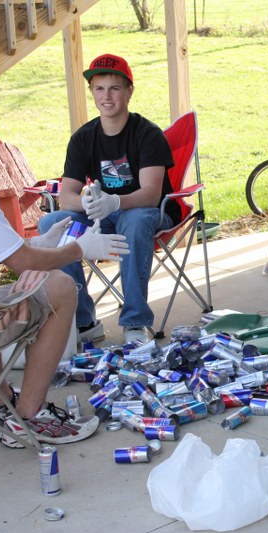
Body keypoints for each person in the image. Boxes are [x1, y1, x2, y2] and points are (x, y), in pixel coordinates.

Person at [0, 103, 130, 448]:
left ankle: (0, 404)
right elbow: (24, 262)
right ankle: (28, 417)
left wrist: (31, 245)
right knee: (59, 287)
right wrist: (80, 249)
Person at [38, 53, 177, 345]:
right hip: (102, 215)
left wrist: (115, 202)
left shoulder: (147, 134)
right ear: (92, 92)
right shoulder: (83, 138)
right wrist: (86, 203)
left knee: (135, 220)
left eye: (114, 88)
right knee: (53, 221)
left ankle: (134, 322)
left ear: (129, 91)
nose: (106, 96)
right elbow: (66, 195)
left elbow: (151, 194)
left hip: (147, 211)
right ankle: (84, 320)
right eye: (99, 89)